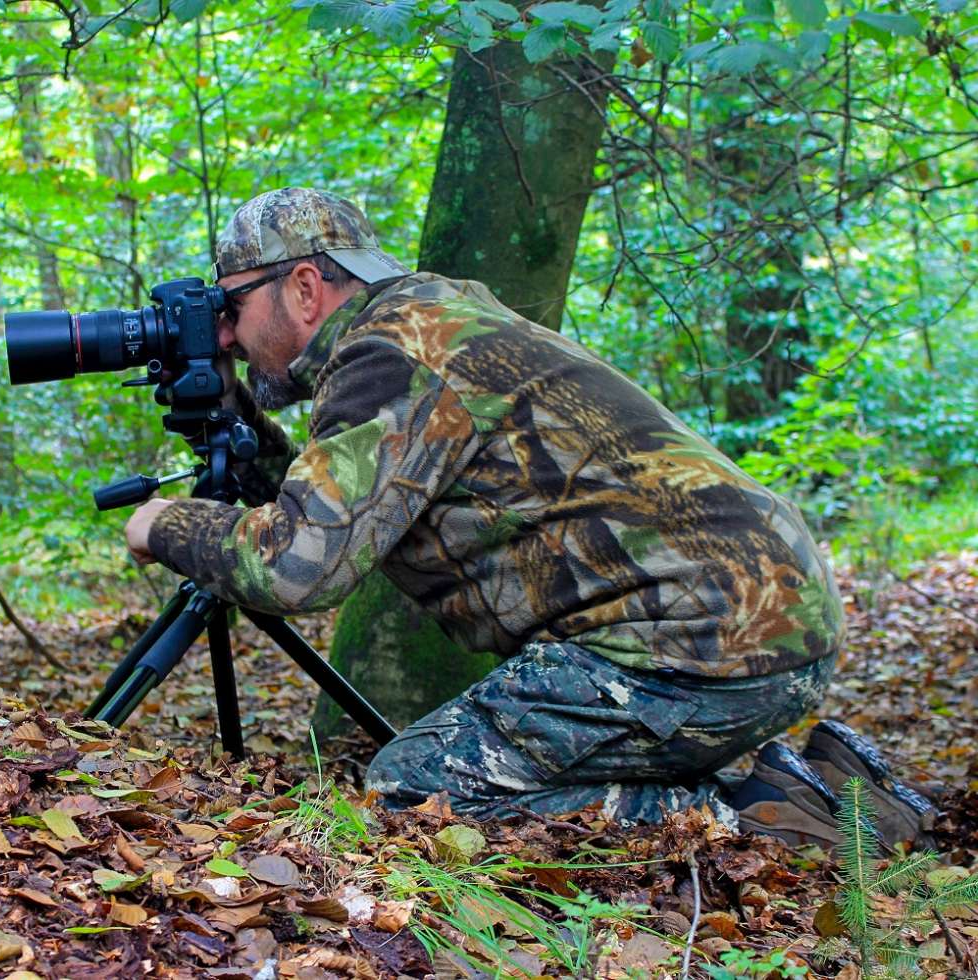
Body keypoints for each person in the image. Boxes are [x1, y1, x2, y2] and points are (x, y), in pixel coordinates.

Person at [123, 187, 933, 847]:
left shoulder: (389, 356)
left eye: (229, 308)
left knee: (415, 789)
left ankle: (778, 824)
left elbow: (296, 568)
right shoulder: (427, 323)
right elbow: (339, 511)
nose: (225, 333)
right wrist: (229, 416)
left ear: (303, 286)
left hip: (697, 645)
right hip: (754, 620)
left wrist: (166, 525)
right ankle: (810, 785)